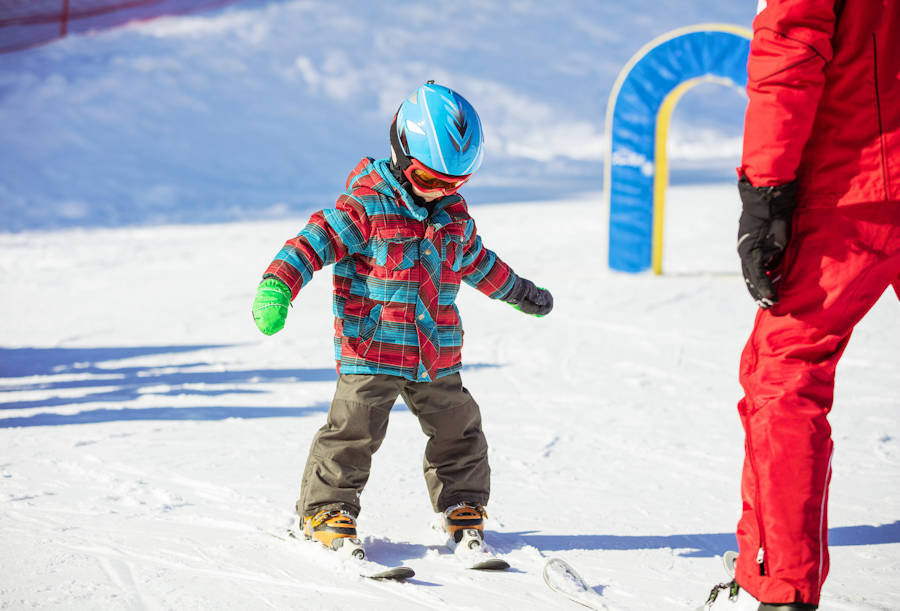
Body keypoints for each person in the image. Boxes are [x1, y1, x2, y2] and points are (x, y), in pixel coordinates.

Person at [251, 81, 553, 557]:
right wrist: (277, 286)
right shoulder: (366, 207)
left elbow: (478, 262)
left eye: (456, 183)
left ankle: (463, 506)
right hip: (372, 349)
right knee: (353, 430)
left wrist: (519, 292)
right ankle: (325, 511)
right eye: (432, 180)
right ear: (400, 152)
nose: (444, 192)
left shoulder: (453, 217)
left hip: (436, 353)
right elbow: (309, 243)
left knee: (460, 428)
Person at [730, 0, 899, 609]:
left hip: (857, 186)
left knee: (786, 372)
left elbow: (790, 46)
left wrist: (766, 194)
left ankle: (784, 589)